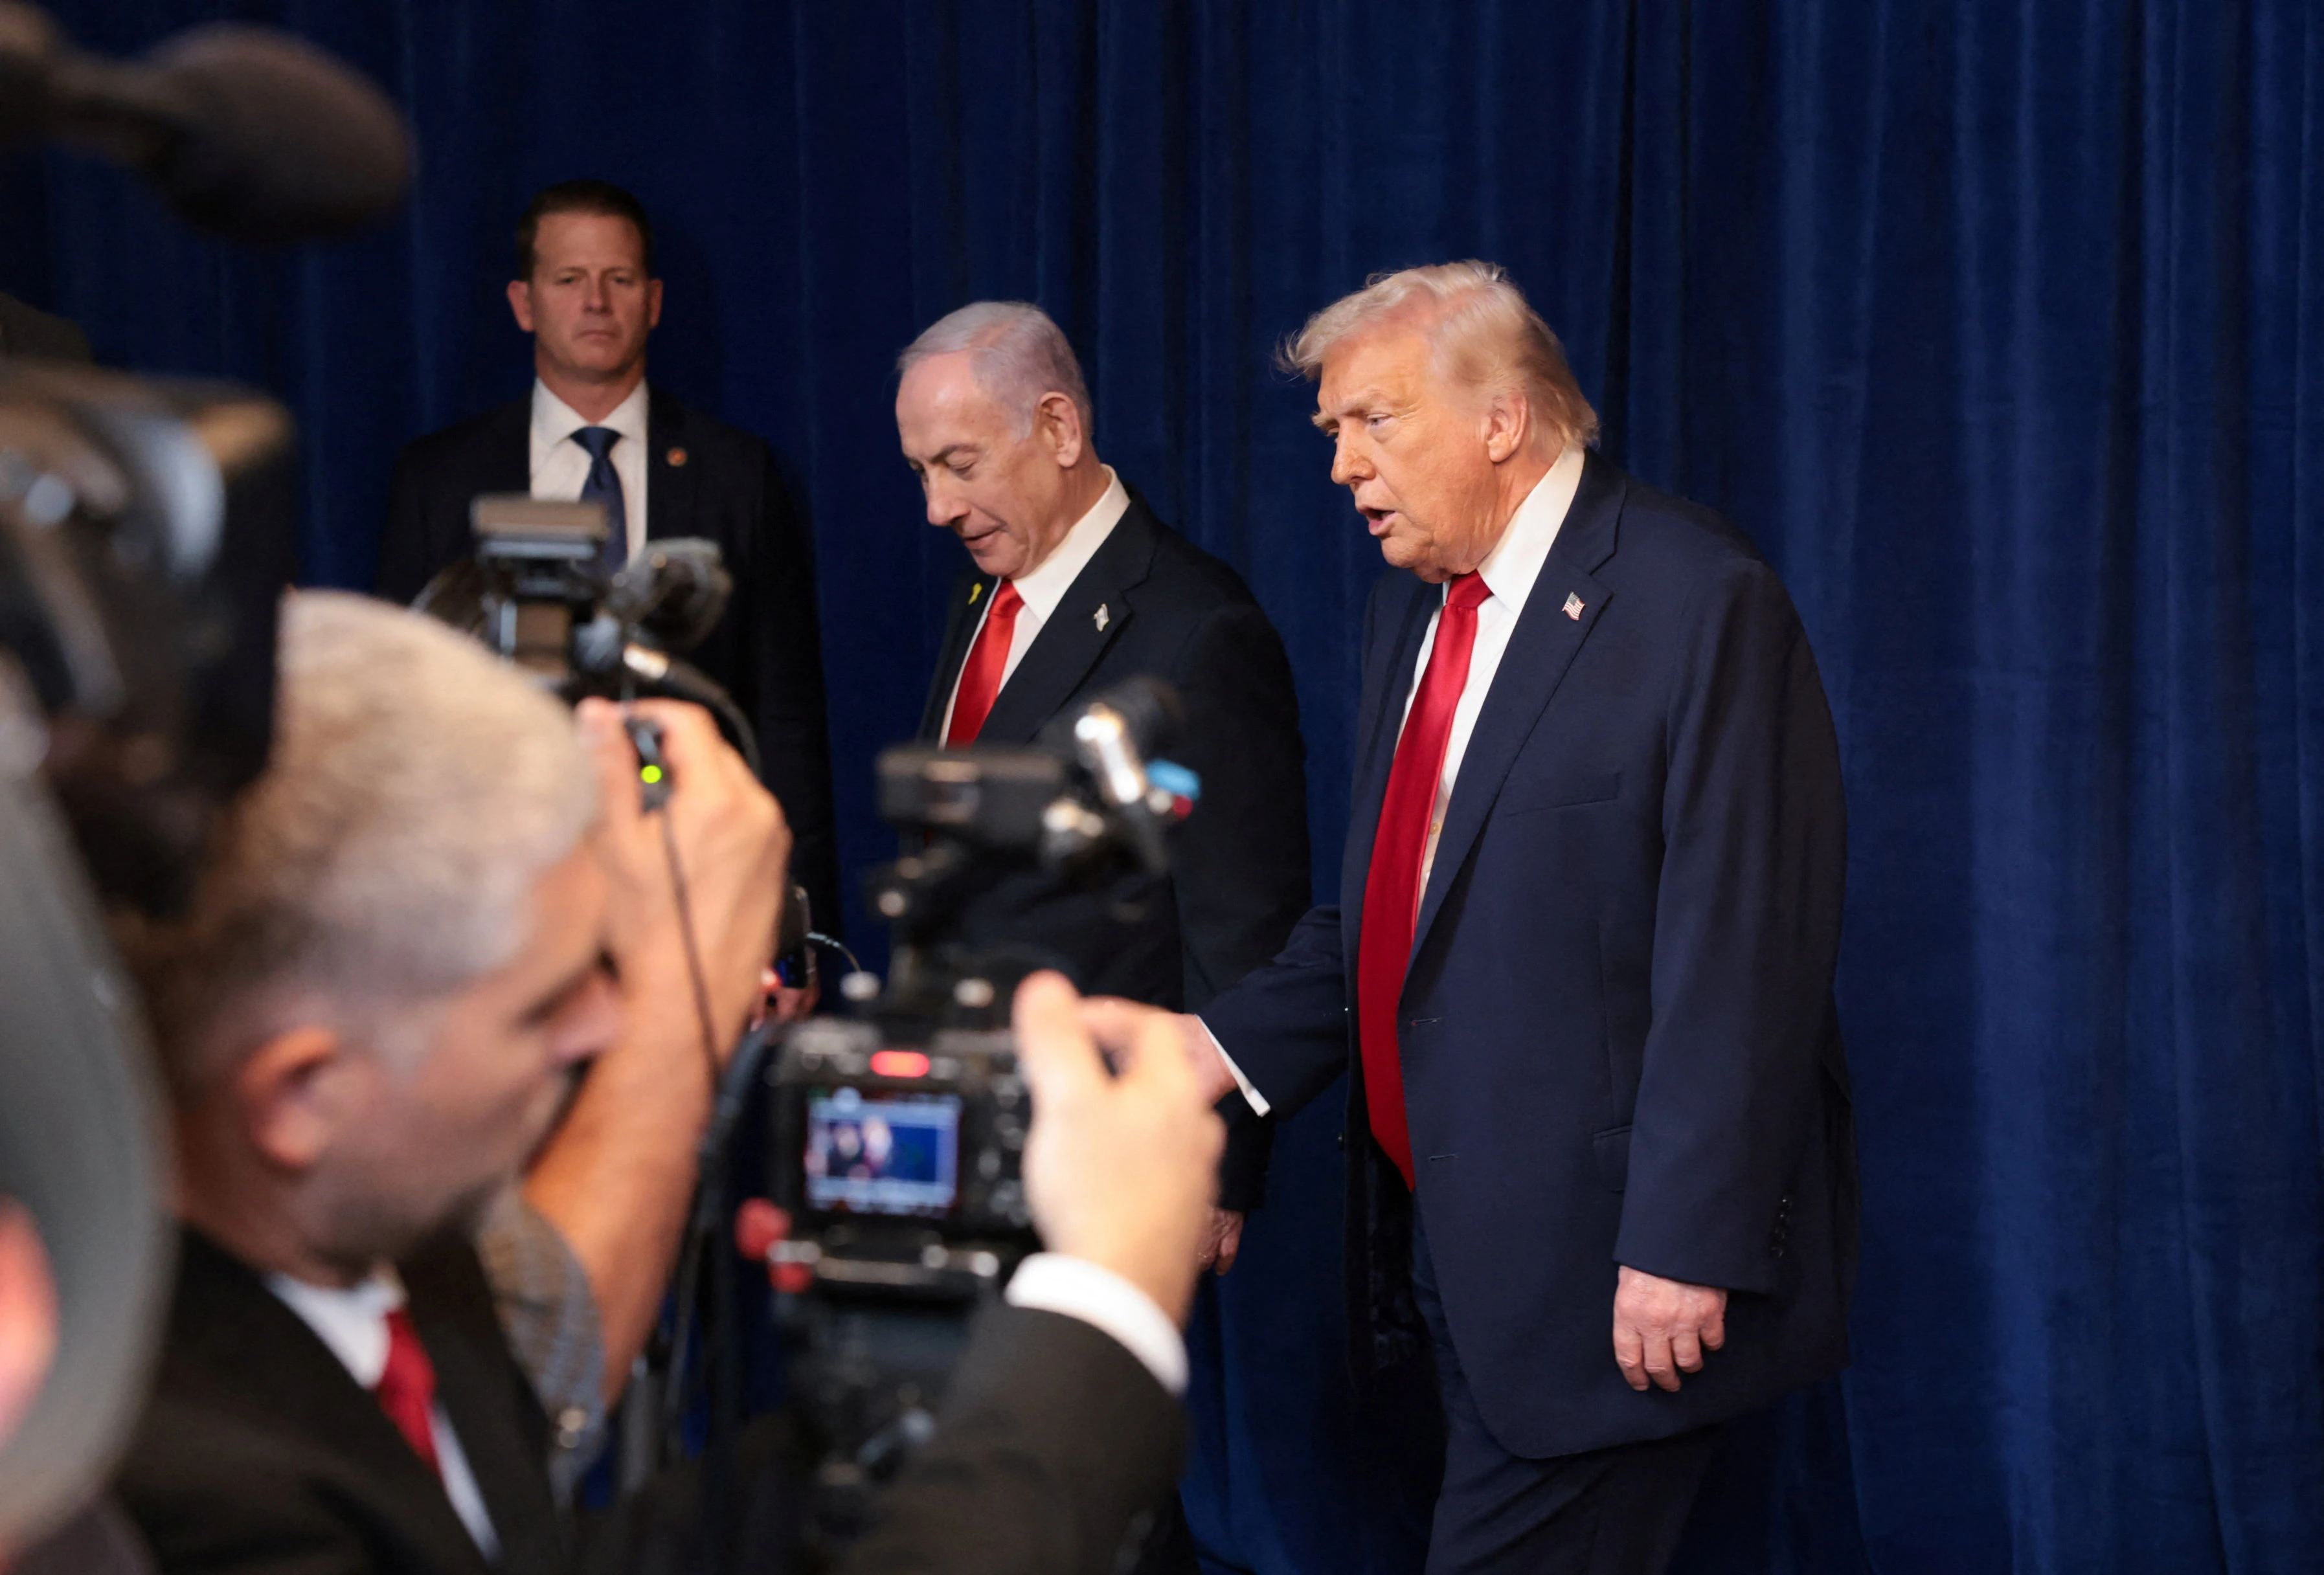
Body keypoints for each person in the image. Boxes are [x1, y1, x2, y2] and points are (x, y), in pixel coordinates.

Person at [106, 591, 1226, 1575]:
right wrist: (1107, 1300)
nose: (610, 1024)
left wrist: (924, 1389)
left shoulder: (384, 1261)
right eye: (544, 1003)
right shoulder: (185, 1495)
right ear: (299, 1097)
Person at [1153, 262, 1858, 1574]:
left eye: (1375, 421)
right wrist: (1204, 1053)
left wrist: (1682, 1245)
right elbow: (1390, 917)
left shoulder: (1696, 601)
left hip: (1615, 1280)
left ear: (1501, 419)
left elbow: (1747, 949)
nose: (1342, 466)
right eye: (1332, 433)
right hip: (1455, 1262)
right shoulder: (1405, 614)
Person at [896, 300, 1309, 1244]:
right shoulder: (987, 592)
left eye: (959, 465)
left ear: (1059, 427)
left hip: (1109, 1140)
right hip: (969, 1123)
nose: (937, 507)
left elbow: (1239, 924)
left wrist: (1219, 1162)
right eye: (920, 472)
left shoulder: (1197, 627)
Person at [375, 179, 839, 928]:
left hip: (693, 890)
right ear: (524, 303)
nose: (596, 301)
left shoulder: (737, 474)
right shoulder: (439, 478)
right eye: (569, 280)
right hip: (502, 900)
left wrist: (795, 923)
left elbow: (783, 717)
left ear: (652, 301)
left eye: (618, 279)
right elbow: (404, 706)